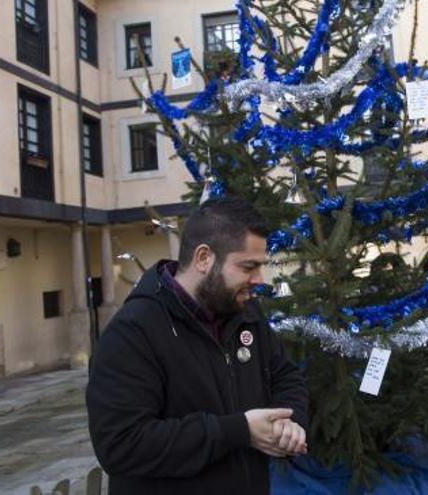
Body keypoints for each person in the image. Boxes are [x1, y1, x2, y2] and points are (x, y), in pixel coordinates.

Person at [87, 196, 309, 494]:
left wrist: (289, 422)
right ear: (204, 258)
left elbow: (285, 374)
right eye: (248, 267)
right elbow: (122, 444)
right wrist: (239, 431)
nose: (259, 279)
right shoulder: (133, 332)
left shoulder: (244, 313)